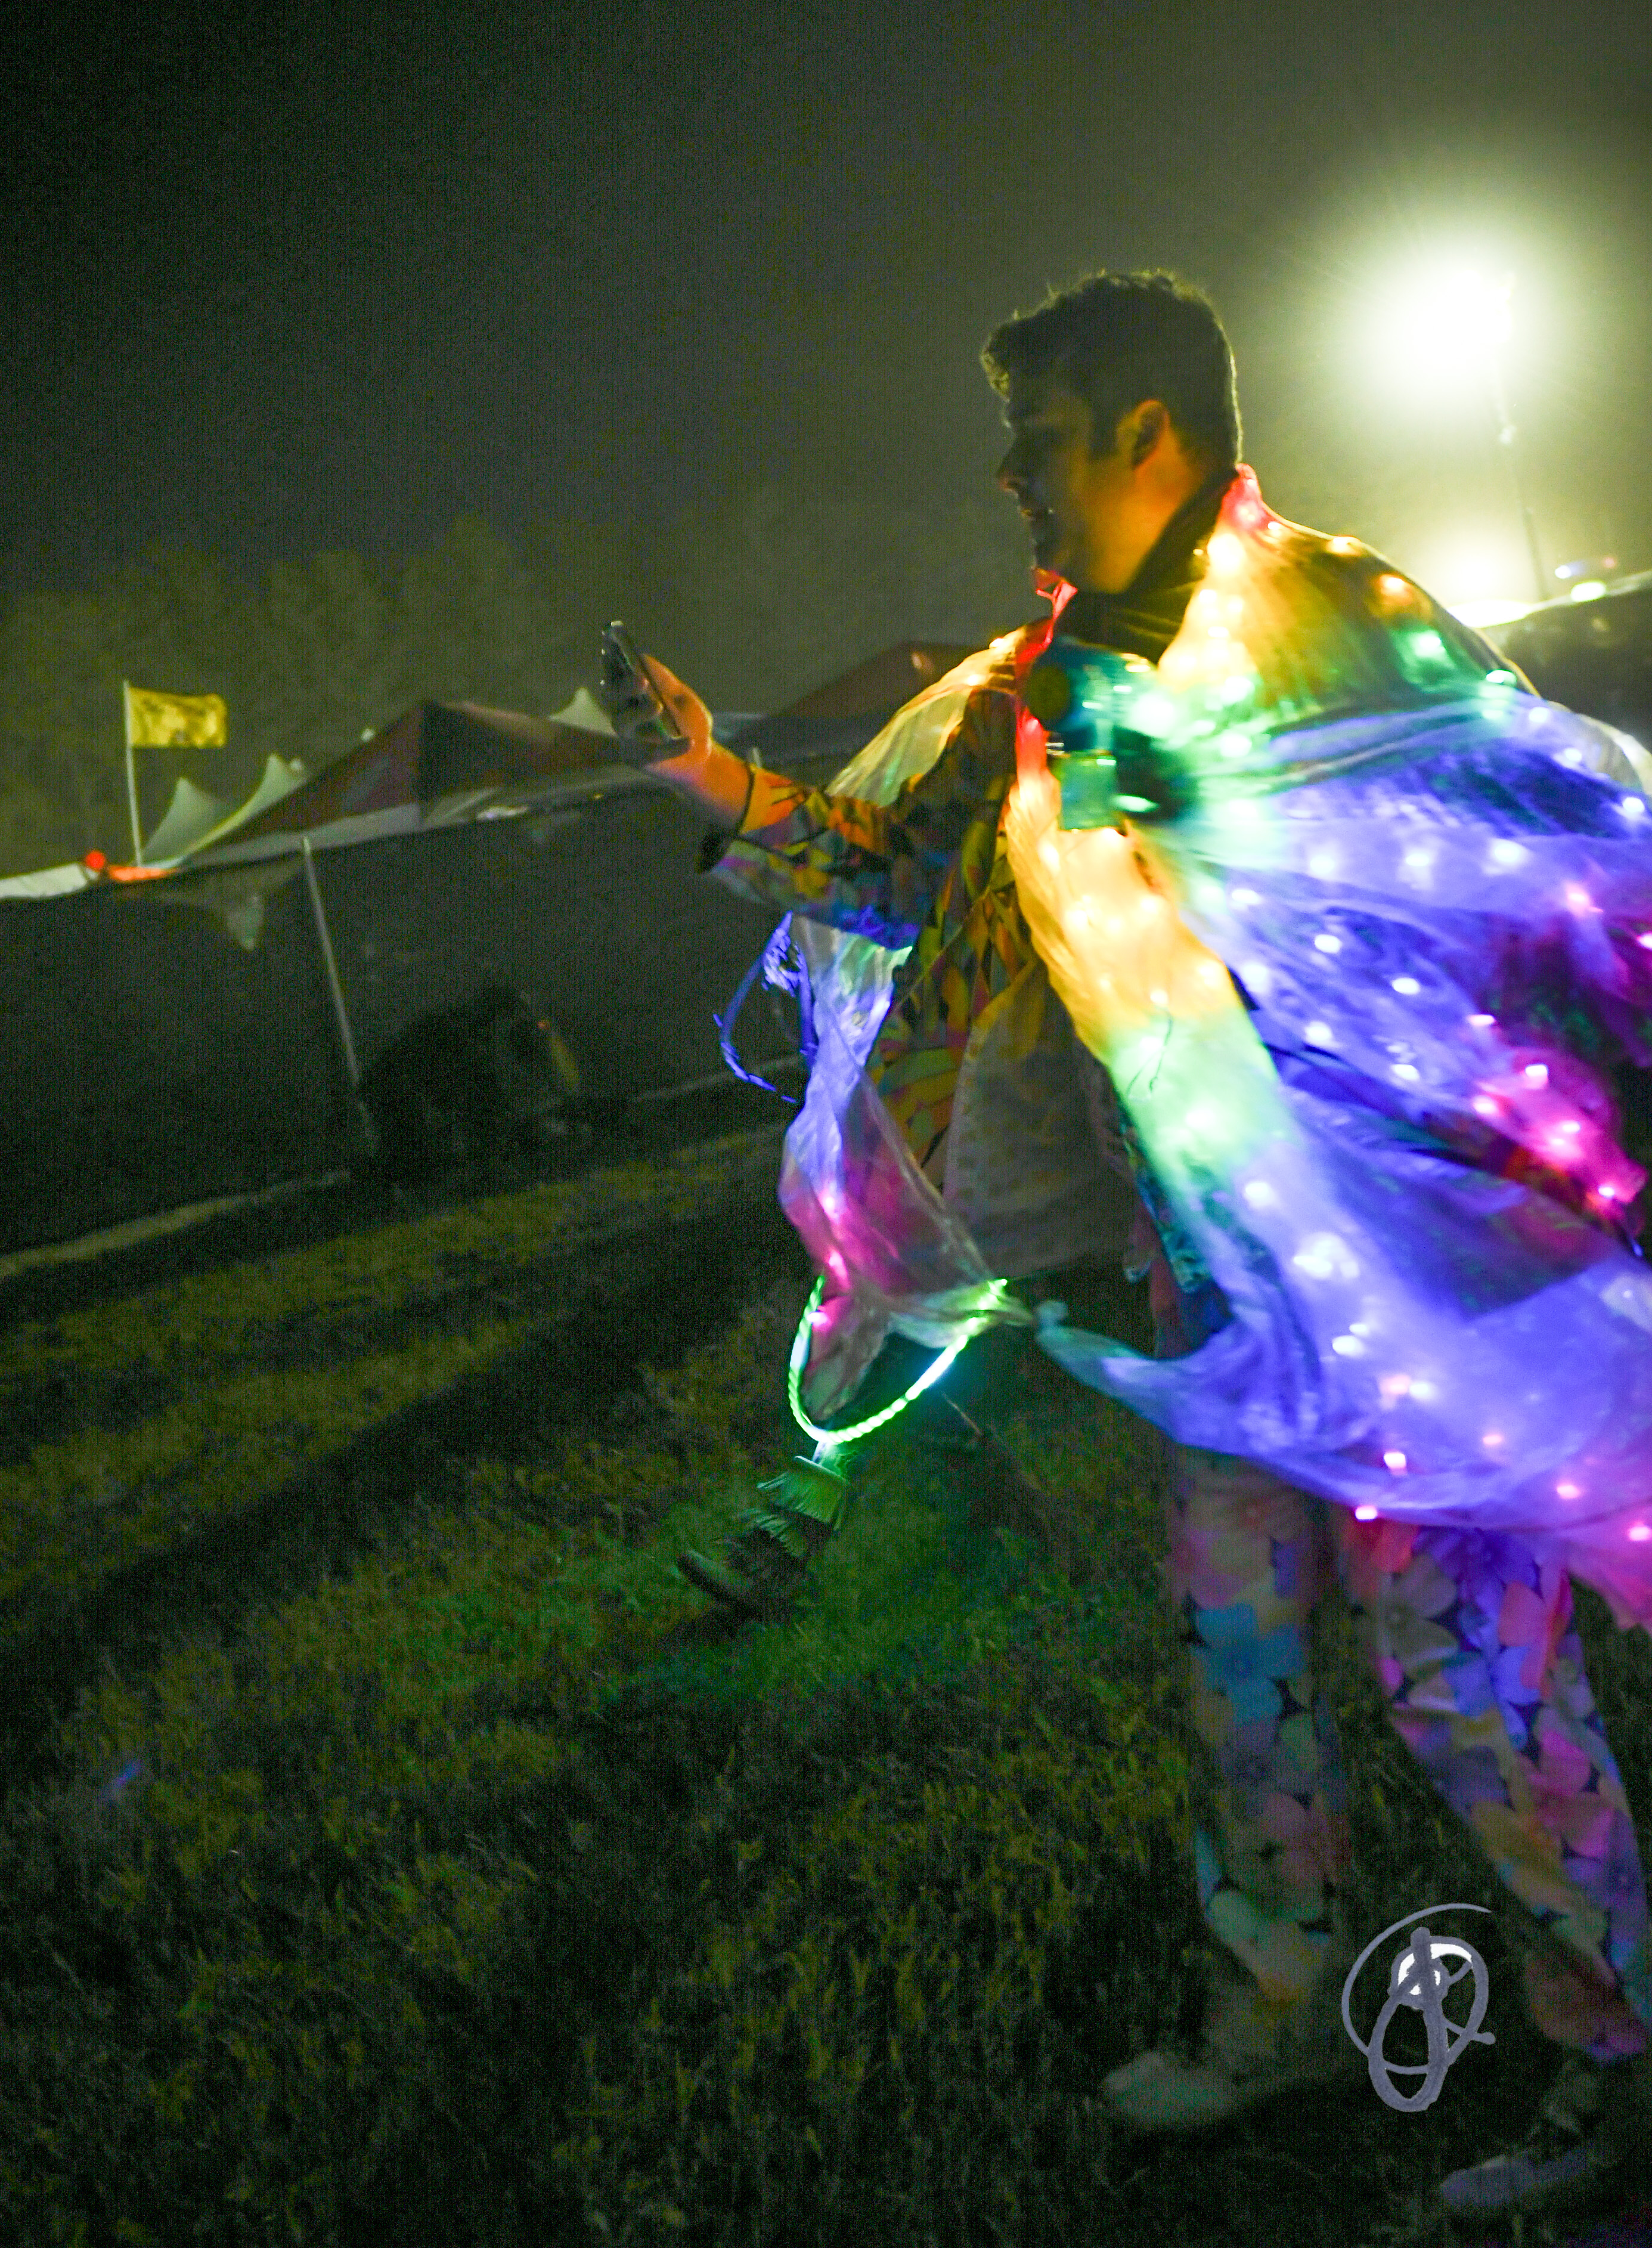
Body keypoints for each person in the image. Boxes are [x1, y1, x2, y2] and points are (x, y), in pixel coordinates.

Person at [606, 270, 1652, 2222]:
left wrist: (1228, 813)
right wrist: (704, 773)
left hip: (1407, 1268)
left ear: (1145, 434)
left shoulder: (1338, 619)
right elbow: (904, 869)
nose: (1008, 474)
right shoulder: (1040, 677)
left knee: (1467, 1679)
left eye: (1038, 435)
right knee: (1238, 1655)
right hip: (1199, 1285)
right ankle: (1273, 2017)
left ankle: (1625, 2057)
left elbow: (1518, 859)